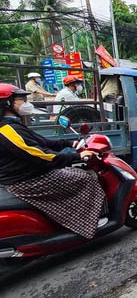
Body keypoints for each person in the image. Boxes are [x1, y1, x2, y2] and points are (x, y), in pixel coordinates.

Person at [0, 84, 106, 239]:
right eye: (21, 99)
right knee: (85, 179)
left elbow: (42, 142)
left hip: (29, 173)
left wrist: (68, 143)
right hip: (27, 180)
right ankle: (88, 222)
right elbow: (40, 154)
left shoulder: (13, 125)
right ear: (6, 103)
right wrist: (77, 157)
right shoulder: (7, 130)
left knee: (75, 173)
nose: (26, 103)